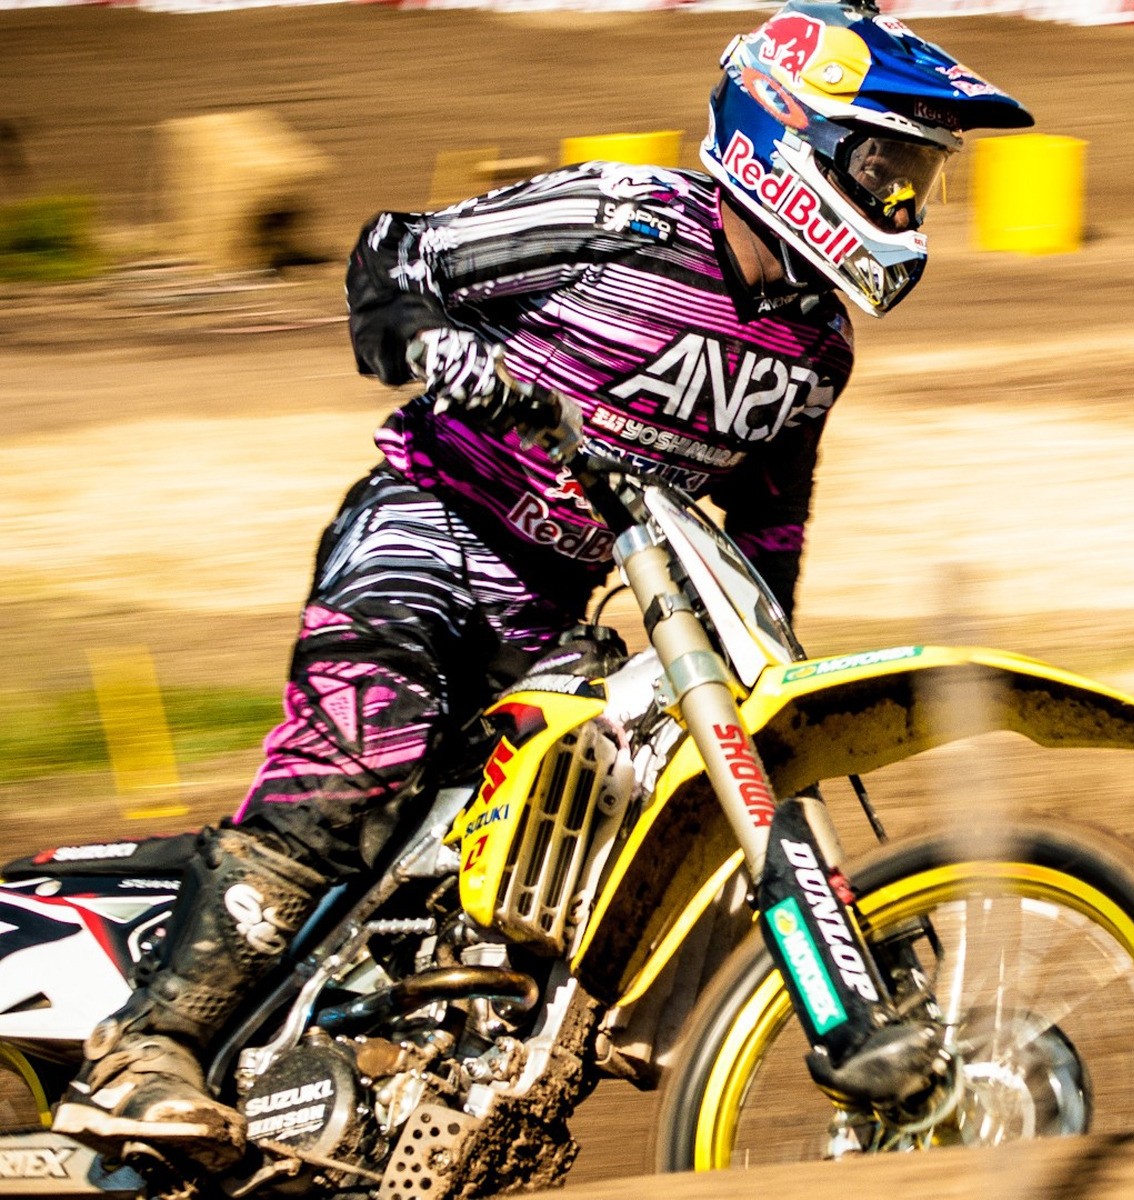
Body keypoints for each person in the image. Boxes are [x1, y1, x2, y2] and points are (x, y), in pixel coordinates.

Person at [53, 0, 1031, 1159]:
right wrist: (441, 349)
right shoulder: (616, 217)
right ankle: (146, 1054)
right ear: (789, 139)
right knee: (359, 766)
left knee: (619, 801)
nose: (907, 204)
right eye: (886, 170)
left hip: (556, 608)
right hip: (424, 533)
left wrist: (770, 670)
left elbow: (771, 525)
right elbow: (392, 256)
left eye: (920, 180)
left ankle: (456, 1057)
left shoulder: (816, 351)